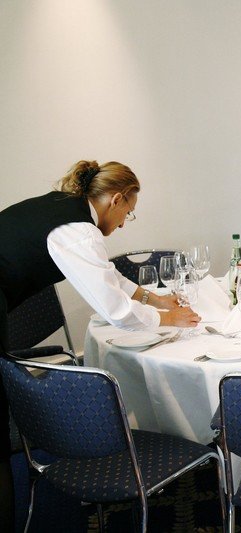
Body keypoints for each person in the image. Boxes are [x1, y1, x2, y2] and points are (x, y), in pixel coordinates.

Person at [0, 160, 201, 529]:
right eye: (129, 212)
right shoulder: (78, 230)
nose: (124, 223)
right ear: (116, 199)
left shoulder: (65, 208)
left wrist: (156, 300)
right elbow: (115, 311)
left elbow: (108, 277)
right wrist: (170, 320)